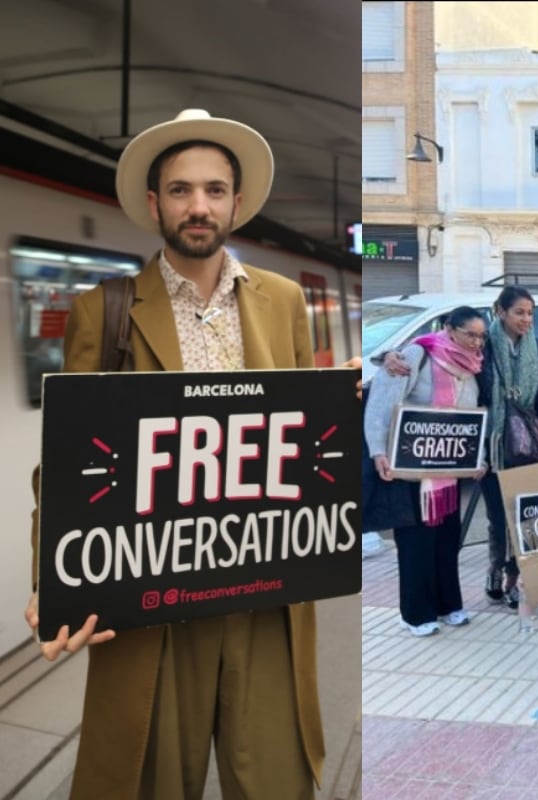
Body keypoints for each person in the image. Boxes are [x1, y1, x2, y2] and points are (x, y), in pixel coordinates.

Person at [23, 109, 330, 798]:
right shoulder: (102, 311)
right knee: (155, 780)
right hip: (153, 598)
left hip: (265, 593)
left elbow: (306, 441)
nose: (200, 206)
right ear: (155, 202)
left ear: (237, 203)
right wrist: (55, 577)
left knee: (277, 781)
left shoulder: (283, 304)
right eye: (183, 190)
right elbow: (64, 459)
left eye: (215, 190)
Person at [364, 307, 487, 636]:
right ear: (449, 328)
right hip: (410, 467)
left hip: (447, 470)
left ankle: (448, 605)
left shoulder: (473, 367)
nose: (476, 342)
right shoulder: (416, 355)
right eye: (469, 334)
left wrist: (478, 456)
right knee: (416, 542)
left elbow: (472, 418)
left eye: (480, 336)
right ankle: (415, 613)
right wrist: (378, 451)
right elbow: (381, 402)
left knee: (446, 541)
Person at [478, 287, 538, 608]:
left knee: (523, 516)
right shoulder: (482, 344)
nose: (526, 319)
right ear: (500, 311)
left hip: (529, 445)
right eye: (519, 312)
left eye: (530, 313)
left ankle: (515, 580)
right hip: (493, 445)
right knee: (498, 518)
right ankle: (495, 568)